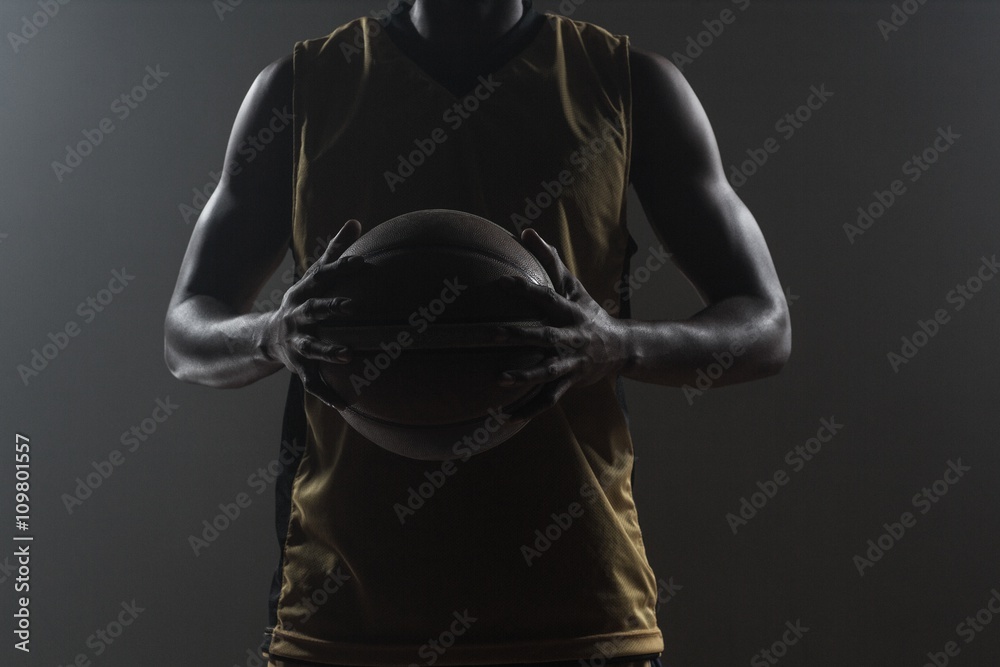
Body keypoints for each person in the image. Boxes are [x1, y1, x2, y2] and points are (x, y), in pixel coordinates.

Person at [163, 1, 792, 666]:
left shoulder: (625, 81)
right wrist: (273, 333)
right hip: (346, 615)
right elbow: (185, 330)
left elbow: (764, 324)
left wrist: (617, 343)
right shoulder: (300, 87)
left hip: (578, 608)